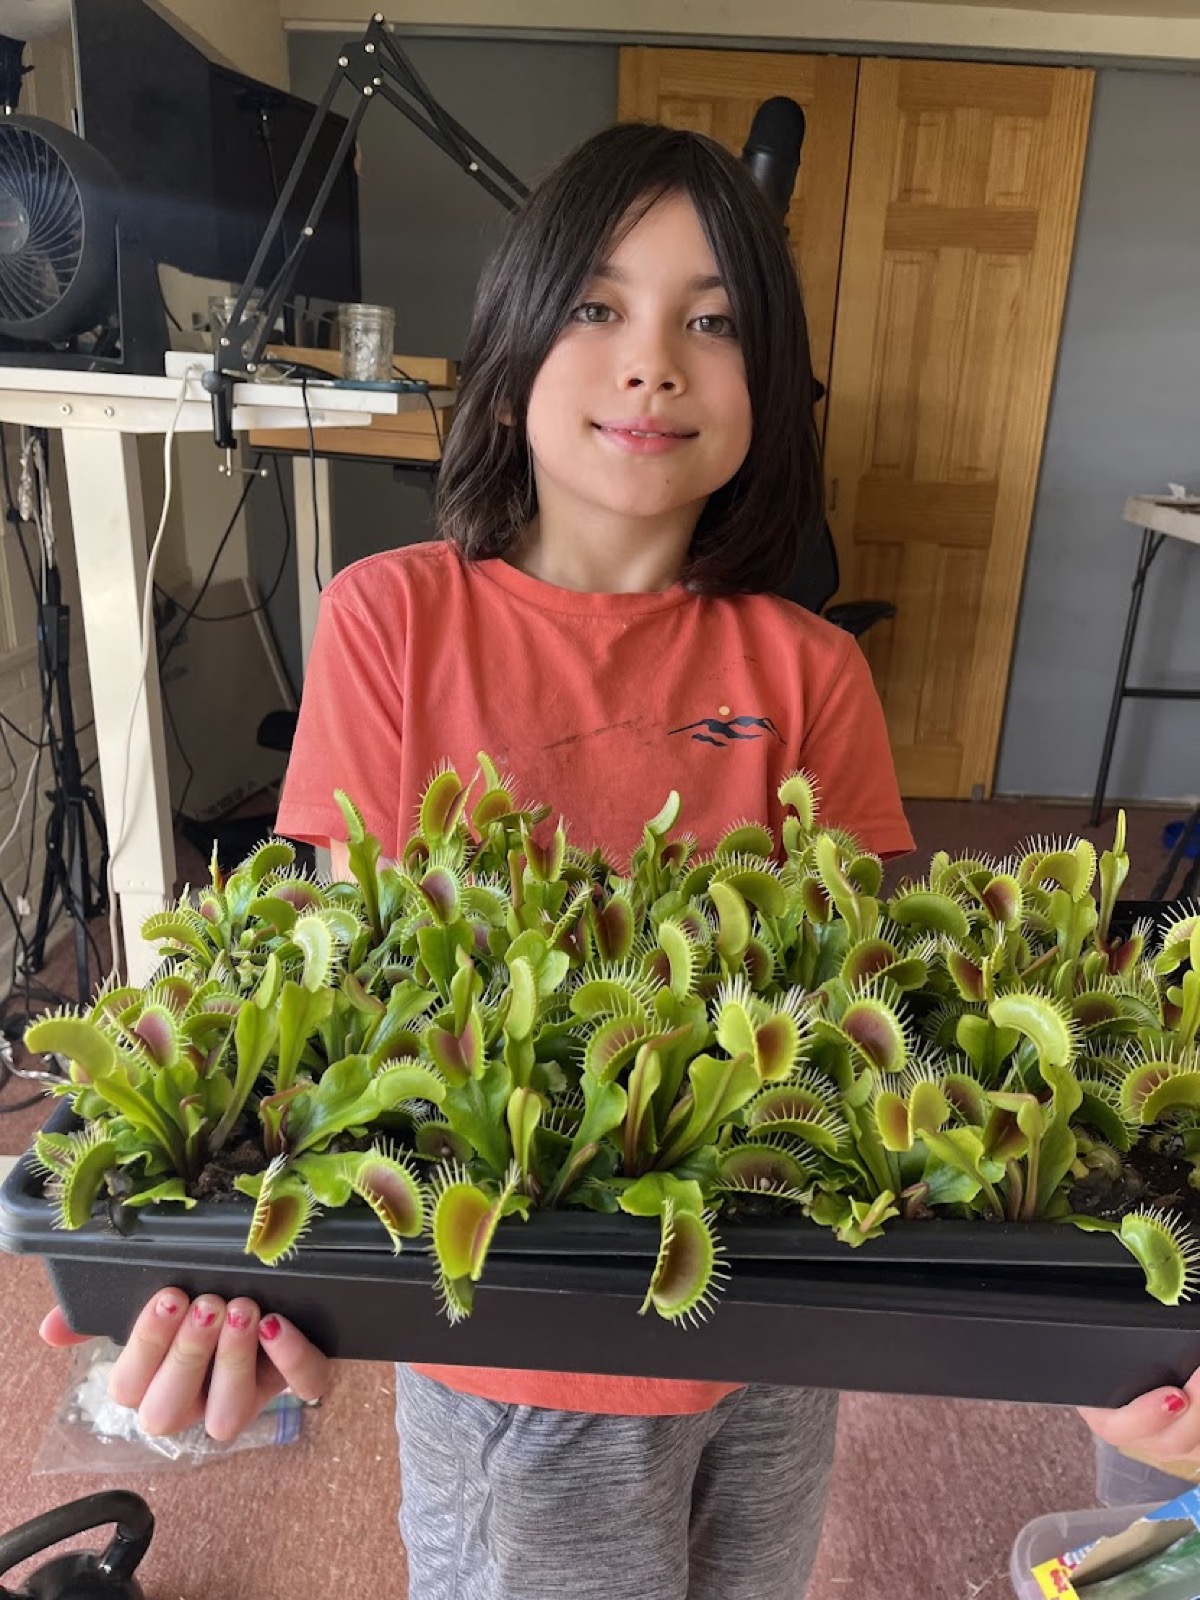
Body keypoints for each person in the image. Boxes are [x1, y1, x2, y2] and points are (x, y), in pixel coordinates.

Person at [35, 122, 1199, 1595]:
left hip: (772, 1334)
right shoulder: (391, 619)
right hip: (516, 1352)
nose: (654, 362)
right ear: (513, 347)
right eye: (597, 306)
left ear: (769, 390)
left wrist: (1092, 1343)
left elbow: (871, 1050)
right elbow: (333, 1006)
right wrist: (271, 1298)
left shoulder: (810, 667)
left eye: (711, 322)